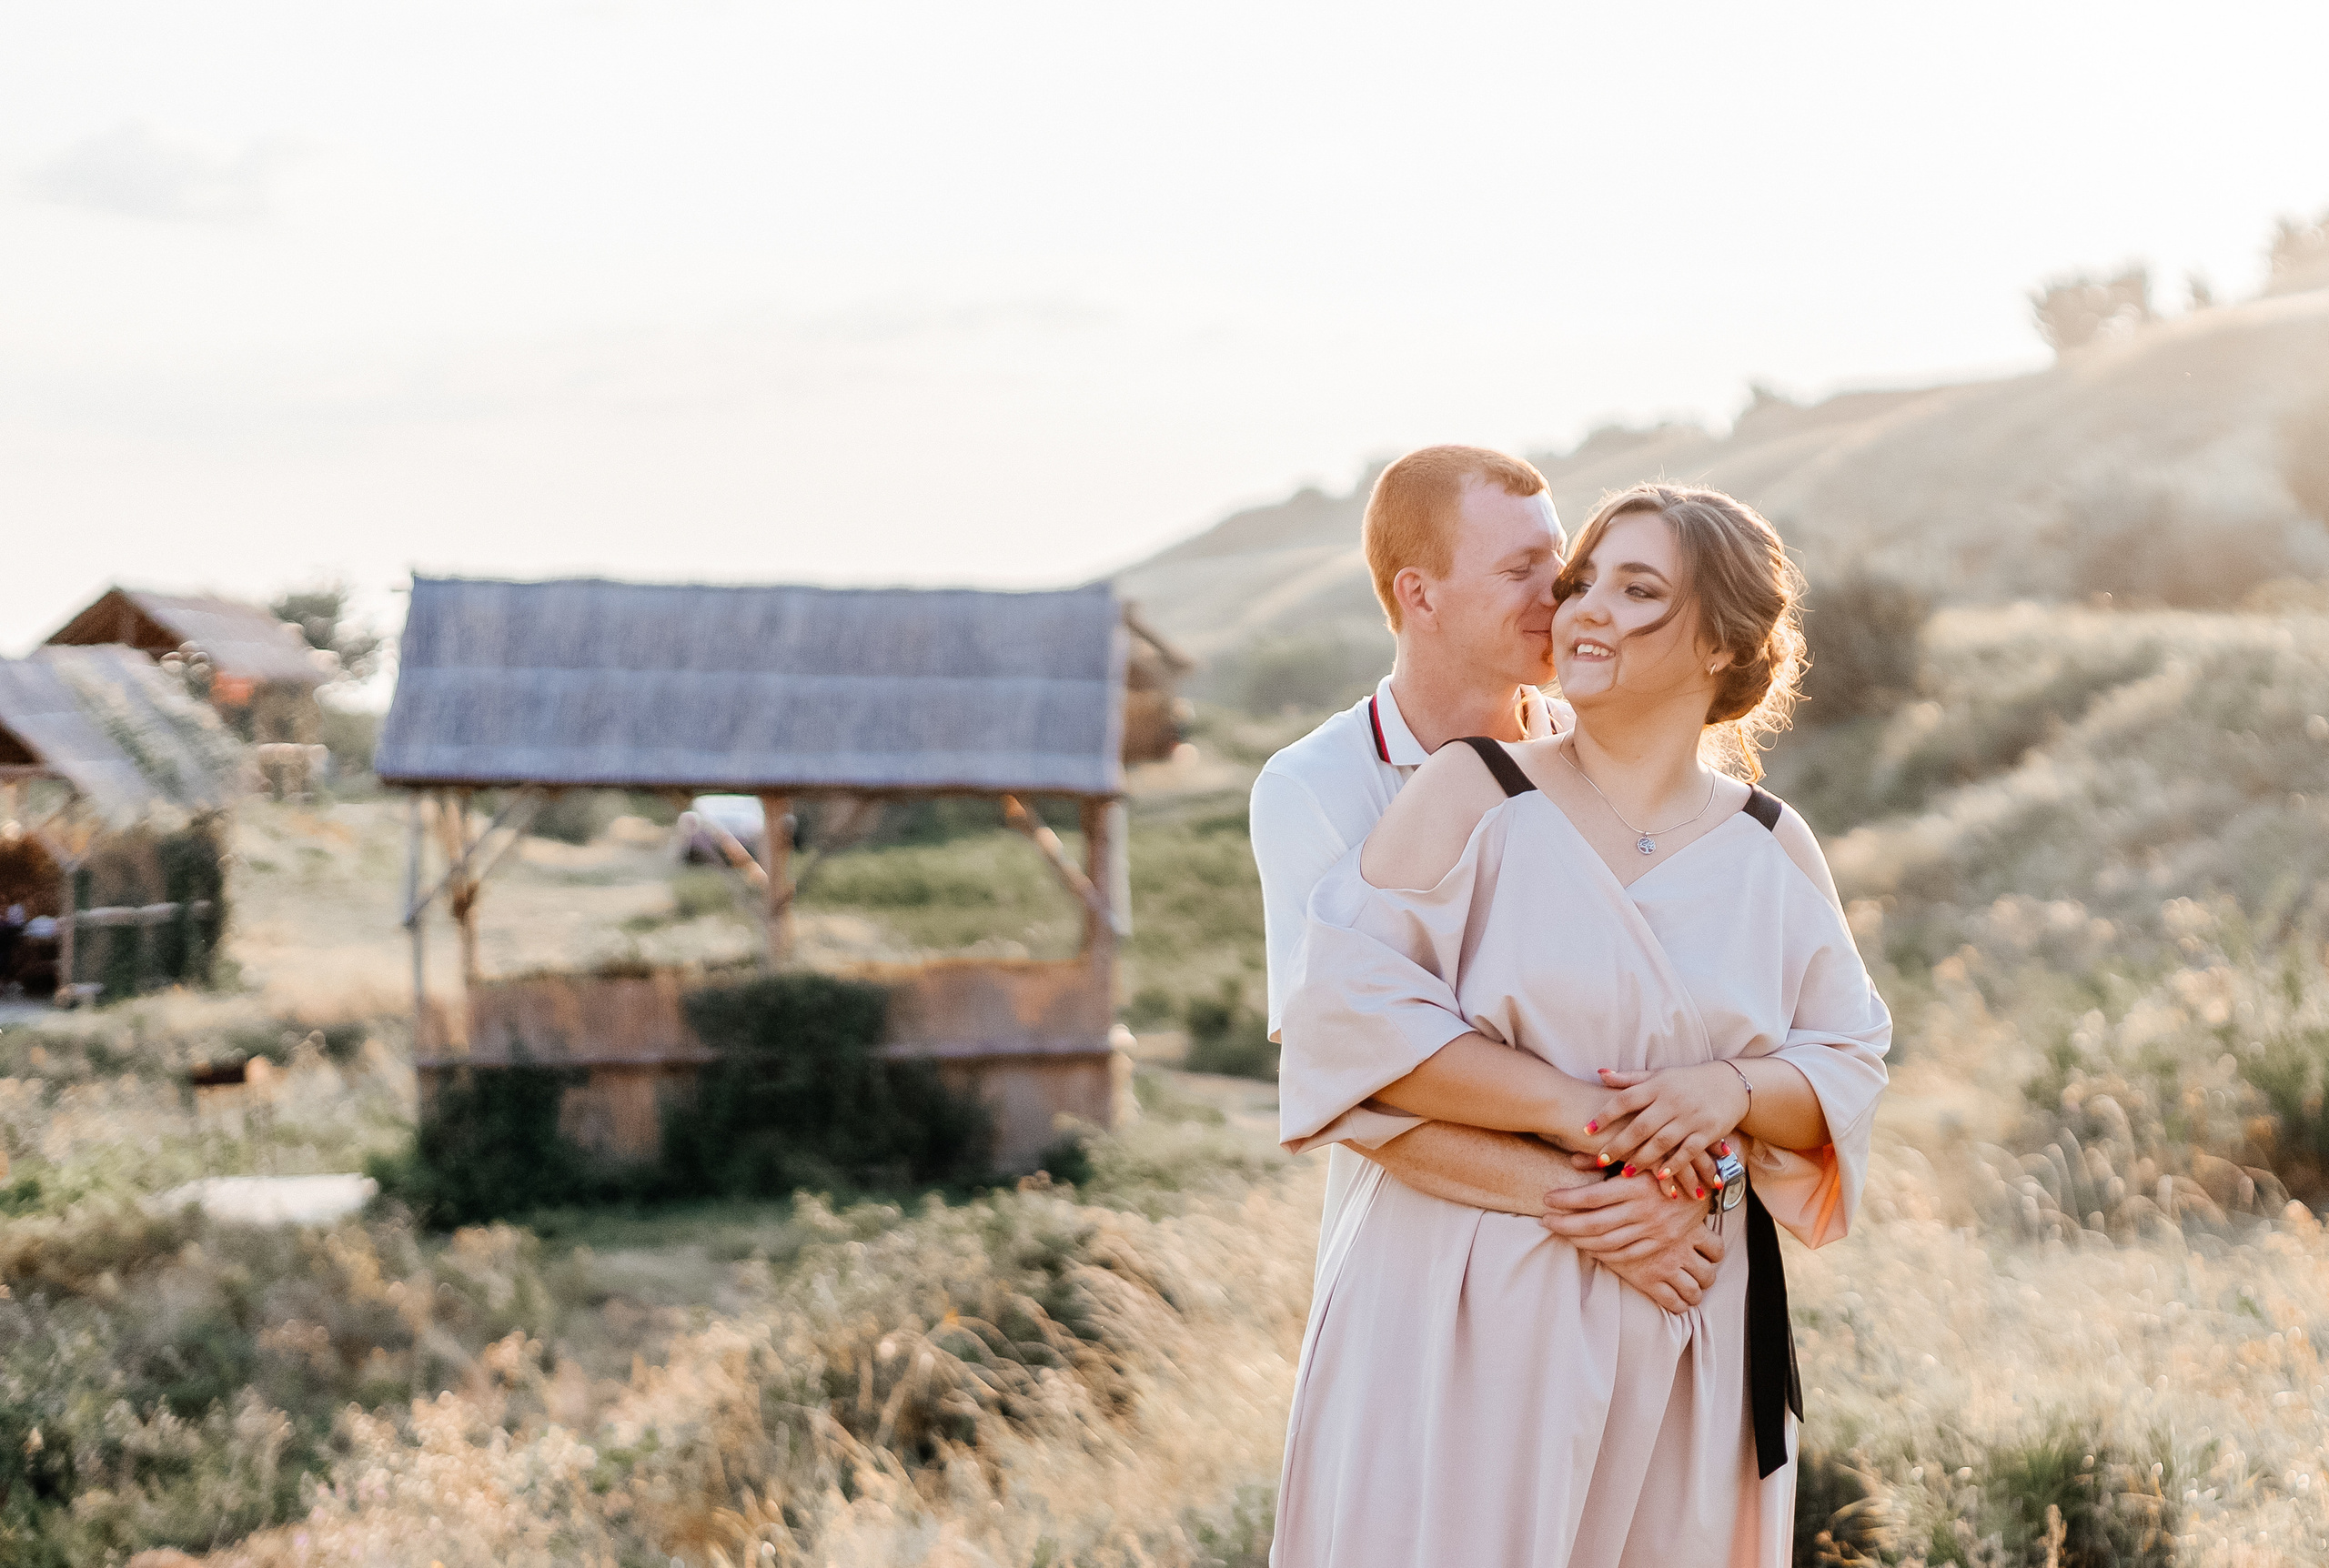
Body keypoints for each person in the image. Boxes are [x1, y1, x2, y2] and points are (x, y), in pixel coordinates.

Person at [1272, 483, 1891, 1566]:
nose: (1585, 608)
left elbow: (1843, 1064)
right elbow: (1346, 1020)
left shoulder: (1769, 844)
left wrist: (1730, 1090)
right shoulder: (1472, 791)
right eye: (1582, 581)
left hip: (1683, 1310)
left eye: (1637, 588)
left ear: (1720, 644)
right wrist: (1596, 1128)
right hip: (1460, 1306)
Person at [1250, 446, 1729, 1319]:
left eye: (1561, 561)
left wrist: (1668, 1188)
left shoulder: (1611, 742)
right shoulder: (1313, 787)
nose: (1563, 593)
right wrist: (1597, 1206)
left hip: (1649, 1263)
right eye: (1520, 569)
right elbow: (1351, 1078)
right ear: (1420, 594)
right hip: (1429, 1275)